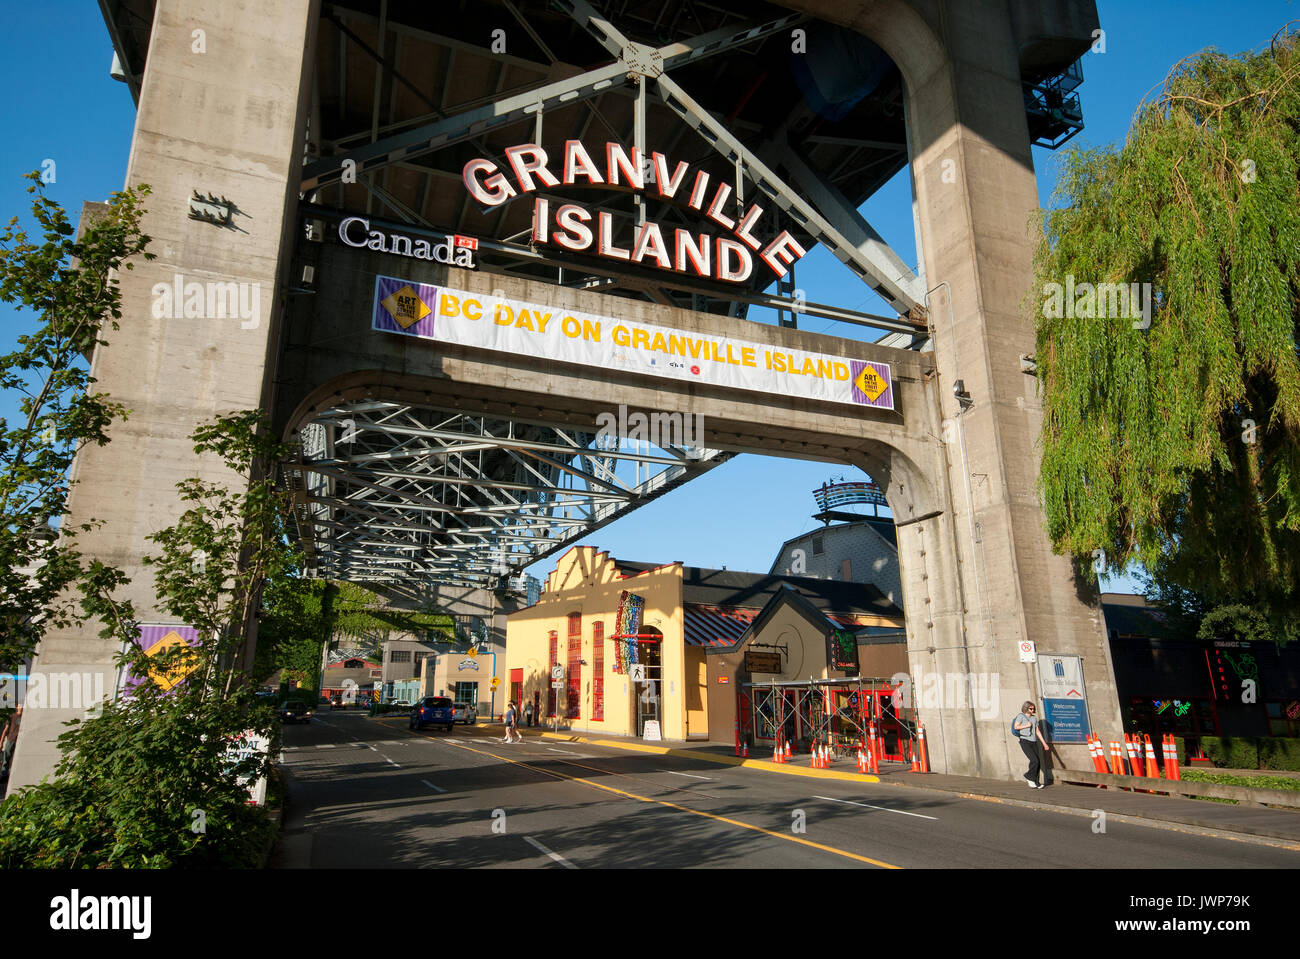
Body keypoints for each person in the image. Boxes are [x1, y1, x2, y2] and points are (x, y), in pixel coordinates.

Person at [1013, 700, 1051, 787]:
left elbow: (1037, 731)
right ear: (1026, 708)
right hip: (1025, 741)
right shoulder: (1021, 716)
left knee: (1038, 761)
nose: (1032, 710)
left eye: (1033, 708)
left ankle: (1035, 782)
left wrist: (1044, 744)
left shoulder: (1034, 718)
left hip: (1034, 741)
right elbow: (1016, 727)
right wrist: (1026, 726)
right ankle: (1029, 776)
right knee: (1034, 760)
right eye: (1031, 708)